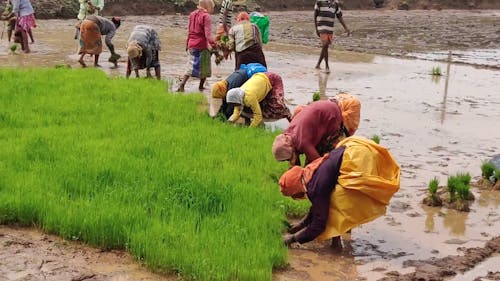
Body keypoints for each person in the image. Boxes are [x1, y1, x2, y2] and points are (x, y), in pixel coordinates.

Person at [279, 136, 400, 247]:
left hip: (357, 160)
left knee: (339, 201)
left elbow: (319, 225)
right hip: (356, 148)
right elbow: (318, 206)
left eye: (293, 195)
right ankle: (337, 237)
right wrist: (302, 224)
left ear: (296, 190)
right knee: (334, 198)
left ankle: (338, 237)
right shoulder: (310, 173)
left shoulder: (315, 188)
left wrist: (292, 239)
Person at [272, 93, 361, 167]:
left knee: (328, 157)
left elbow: (318, 162)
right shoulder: (288, 133)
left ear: (290, 150)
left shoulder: (302, 142)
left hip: (332, 115)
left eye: (287, 159)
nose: (288, 160)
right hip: (324, 105)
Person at [176, 0, 216, 92]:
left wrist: (187, 44)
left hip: (191, 44)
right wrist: (214, 45)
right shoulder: (206, 17)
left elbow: (189, 31)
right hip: (202, 46)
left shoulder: (192, 14)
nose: (212, 10)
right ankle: (197, 86)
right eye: (212, 7)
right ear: (207, 6)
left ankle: (186, 85)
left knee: (191, 65)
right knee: (204, 67)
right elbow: (208, 35)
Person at [226, 72, 291, 127]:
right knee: (244, 110)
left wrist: (250, 129)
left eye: (234, 104)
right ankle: (248, 124)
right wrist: (231, 121)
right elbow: (237, 110)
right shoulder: (238, 94)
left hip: (273, 79)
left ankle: (290, 116)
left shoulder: (249, 98)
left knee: (277, 105)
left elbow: (258, 116)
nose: (234, 105)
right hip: (258, 78)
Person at [314, 0, 351, 73]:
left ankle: (318, 64)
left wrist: (346, 28)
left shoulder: (336, 4)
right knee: (325, 44)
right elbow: (315, 15)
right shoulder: (319, 2)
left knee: (325, 46)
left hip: (330, 28)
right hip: (321, 26)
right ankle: (327, 66)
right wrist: (316, 29)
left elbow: (339, 17)